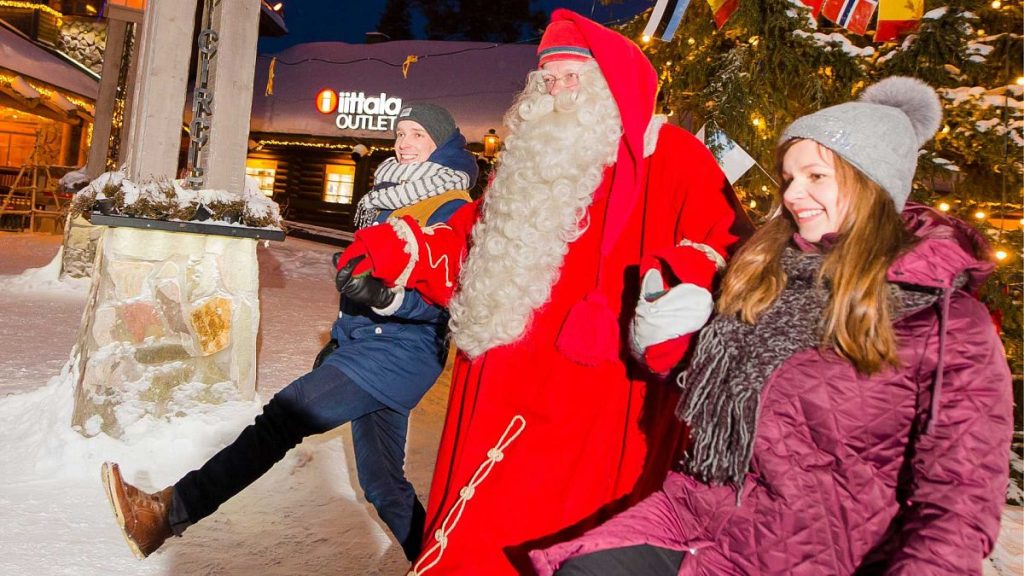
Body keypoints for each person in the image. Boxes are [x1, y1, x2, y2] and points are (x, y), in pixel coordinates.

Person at [529, 76, 1014, 576]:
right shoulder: (768, 274)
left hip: (821, 557)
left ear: (872, 183)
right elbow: (716, 404)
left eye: (815, 176)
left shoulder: (945, 321)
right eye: (789, 178)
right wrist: (673, 339)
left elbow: (958, 503)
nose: (793, 194)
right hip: (700, 521)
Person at [333, 10, 750, 574]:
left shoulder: (670, 155)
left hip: (594, 400)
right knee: (474, 538)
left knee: (555, 540)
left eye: (572, 78)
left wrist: (677, 284)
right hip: (499, 383)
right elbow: (471, 239)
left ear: (608, 83)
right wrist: (393, 251)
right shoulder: (526, 164)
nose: (558, 93)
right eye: (548, 80)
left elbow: (727, 243)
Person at [100, 103, 478, 564]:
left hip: (402, 349)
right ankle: (448, 563)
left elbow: (450, 291)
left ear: (441, 144)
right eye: (400, 133)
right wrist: (344, 336)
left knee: (282, 419)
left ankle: (165, 513)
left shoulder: (451, 206)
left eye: (418, 134)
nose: (404, 143)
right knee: (383, 486)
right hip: (368, 343)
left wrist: (386, 299)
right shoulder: (389, 194)